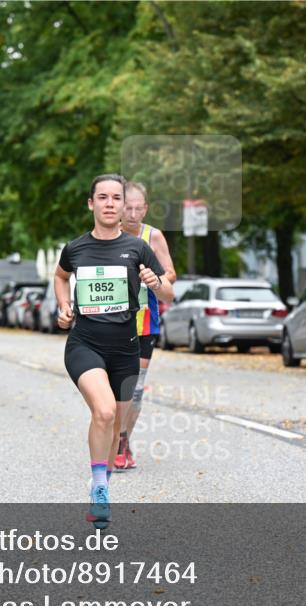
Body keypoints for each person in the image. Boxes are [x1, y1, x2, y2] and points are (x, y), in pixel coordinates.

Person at [54, 174, 173, 527]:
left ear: (123, 206)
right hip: (84, 344)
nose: (109, 203)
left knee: (116, 423)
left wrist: (156, 282)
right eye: (102, 197)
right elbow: (60, 276)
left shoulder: (138, 248)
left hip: (126, 348)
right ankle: (100, 486)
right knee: (104, 412)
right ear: (91, 204)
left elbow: (168, 292)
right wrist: (63, 307)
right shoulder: (75, 249)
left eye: (116, 198)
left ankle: (101, 481)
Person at [116, 181, 177, 470]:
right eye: (127, 207)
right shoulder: (107, 233)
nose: (132, 213)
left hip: (144, 322)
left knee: (135, 390)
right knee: (115, 386)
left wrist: (152, 277)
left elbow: (171, 273)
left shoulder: (153, 236)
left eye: (138, 208)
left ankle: (123, 440)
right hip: (111, 322)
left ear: (146, 209)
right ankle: (112, 434)